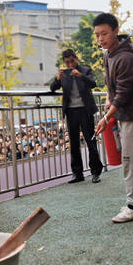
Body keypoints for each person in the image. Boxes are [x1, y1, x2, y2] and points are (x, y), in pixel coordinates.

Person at [93, 13, 133, 223]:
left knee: (131, 160)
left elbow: (124, 93)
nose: (101, 39)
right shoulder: (109, 55)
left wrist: (105, 118)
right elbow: (113, 88)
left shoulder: (126, 57)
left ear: (115, 31)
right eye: (98, 35)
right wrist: (109, 102)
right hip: (127, 113)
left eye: (105, 33)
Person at [50, 49, 104, 184]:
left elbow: (93, 83)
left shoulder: (85, 70)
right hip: (71, 111)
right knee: (73, 144)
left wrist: (80, 75)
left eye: (72, 61)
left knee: (90, 141)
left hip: (85, 110)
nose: (70, 65)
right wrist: (57, 79)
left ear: (76, 58)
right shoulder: (64, 74)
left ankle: (96, 172)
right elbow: (52, 88)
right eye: (67, 62)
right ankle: (77, 173)